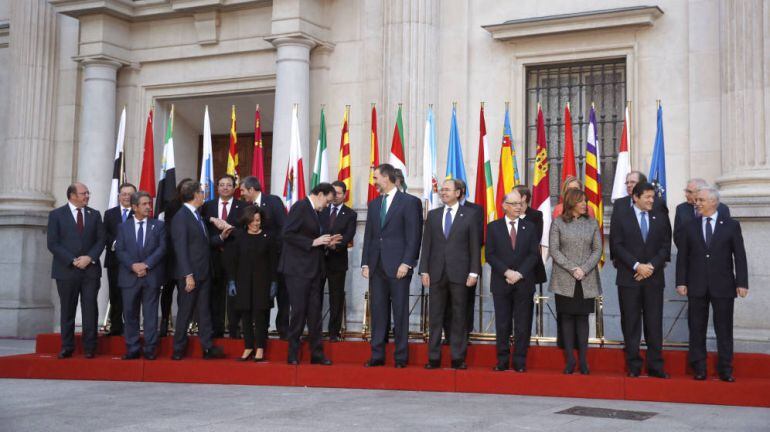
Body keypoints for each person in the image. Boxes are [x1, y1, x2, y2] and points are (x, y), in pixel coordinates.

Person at [676, 187, 748, 382]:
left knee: (724, 328)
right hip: (696, 284)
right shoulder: (690, 226)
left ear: (713, 202)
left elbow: (739, 256)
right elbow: (682, 257)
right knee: (696, 327)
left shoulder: (731, 226)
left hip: (723, 285)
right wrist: (681, 281)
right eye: (696, 199)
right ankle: (699, 367)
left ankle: (725, 369)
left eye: (701, 200)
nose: (697, 203)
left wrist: (742, 282)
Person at [361, 163, 423, 368]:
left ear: (386, 178)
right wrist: (365, 263)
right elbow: (369, 235)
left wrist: (407, 262)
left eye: (376, 177)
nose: (374, 181)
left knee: (400, 312)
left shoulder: (410, 202)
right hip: (376, 266)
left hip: (398, 267)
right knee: (377, 312)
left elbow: (414, 236)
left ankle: (400, 357)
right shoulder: (373, 204)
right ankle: (377, 355)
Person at [610, 182, 672, 378]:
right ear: (635, 198)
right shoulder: (621, 216)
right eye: (647, 197)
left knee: (654, 323)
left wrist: (650, 267)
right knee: (631, 323)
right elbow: (616, 245)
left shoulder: (660, 216)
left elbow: (665, 246)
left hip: (653, 279)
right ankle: (634, 365)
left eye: (653, 197)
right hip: (629, 278)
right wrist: (637, 266)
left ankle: (655, 366)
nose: (651, 200)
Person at [420, 179, 481, 370]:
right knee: (436, 317)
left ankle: (457, 358)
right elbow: (427, 245)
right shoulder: (433, 215)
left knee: (459, 316)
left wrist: (474, 272)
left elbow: (474, 246)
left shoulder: (470, 216)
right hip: (436, 273)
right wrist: (424, 270)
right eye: (441, 189)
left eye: (447, 189)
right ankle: (434, 358)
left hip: (460, 273)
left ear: (458, 193)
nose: (443, 192)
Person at [278, 182, 339, 365]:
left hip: (313, 270)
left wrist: (326, 242)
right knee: (298, 312)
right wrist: (313, 242)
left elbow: (314, 237)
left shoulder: (317, 213)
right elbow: (287, 234)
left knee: (314, 313)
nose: (327, 206)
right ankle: (293, 354)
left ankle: (317, 354)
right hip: (297, 270)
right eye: (327, 201)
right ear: (320, 194)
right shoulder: (301, 207)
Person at [170, 179, 230, 360]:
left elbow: (202, 243)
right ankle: (178, 349)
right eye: (202, 192)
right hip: (191, 275)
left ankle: (207, 347)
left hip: (204, 273)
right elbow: (180, 249)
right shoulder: (181, 217)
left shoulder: (197, 215)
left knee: (204, 312)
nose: (204, 195)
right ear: (196, 195)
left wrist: (221, 237)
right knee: (186, 312)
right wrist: (188, 275)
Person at [46, 182, 105, 359]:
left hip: (90, 270)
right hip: (66, 270)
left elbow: (101, 240)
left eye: (87, 193)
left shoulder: (94, 215)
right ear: (72, 195)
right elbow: (53, 243)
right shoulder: (56, 215)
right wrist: (72, 260)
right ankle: (67, 346)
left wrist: (89, 258)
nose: (87, 196)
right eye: (83, 193)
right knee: (67, 309)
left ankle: (89, 347)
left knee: (90, 309)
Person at [548, 189, 602, 375]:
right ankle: (570, 359)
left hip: (586, 279)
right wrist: (573, 268)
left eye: (585, 201)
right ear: (572, 203)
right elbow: (554, 250)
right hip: (565, 278)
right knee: (567, 318)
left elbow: (597, 250)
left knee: (583, 319)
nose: (585, 204)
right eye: (581, 201)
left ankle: (584, 361)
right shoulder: (558, 223)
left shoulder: (592, 223)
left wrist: (584, 269)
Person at [485, 189, 539, 372]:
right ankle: (502, 360)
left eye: (521, 204)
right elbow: (490, 255)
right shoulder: (493, 227)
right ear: (504, 206)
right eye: (515, 204)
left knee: (522, 324)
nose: (519, 207)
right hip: (501, 282)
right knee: (502, 323)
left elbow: (533, 255)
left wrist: (519, 273)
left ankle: (519, 362)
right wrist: (507, 272)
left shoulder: (530, 227)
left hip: (524, 283)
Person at [114, 191, 167, 360]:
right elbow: (119, 250)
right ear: (134, 207)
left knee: (151, 314)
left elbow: (162, 248)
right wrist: (133, 265)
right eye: (144, 204)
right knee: (130, 314)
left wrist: (146, 265)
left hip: (151, 276)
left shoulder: (158, 225)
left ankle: (150, 349)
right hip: (129, 277)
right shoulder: (123, 226)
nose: (148, 207)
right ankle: (133, 348)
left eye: (149, 204)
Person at [223, 205, 277, 362]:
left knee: (260, 316)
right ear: (246, 221)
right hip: (243, 282)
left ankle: (260, 348)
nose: (256, 223)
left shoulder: (269, 237)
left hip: (263, 282)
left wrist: (274, 282)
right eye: (252, 221)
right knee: (245, 316)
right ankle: (248, 347)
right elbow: (232, 261)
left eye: (258, 220)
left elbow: (274, 262)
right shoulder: (239, 237)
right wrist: (232, 281)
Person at [240, 175, 289, 339]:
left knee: (282, 293)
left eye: (243, 190)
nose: (242, 194)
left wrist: (276, 249)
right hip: (257, 260)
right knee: (261, 295)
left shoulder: (273, 201)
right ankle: (262, 329)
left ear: (251, 189)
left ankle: (283, 328)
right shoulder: (247, 207)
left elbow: (284, 226)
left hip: (276, 255)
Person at [201, 174, 244, 338]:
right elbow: (201, 227)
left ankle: (234, 329)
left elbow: (246, 231)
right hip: (214, 256)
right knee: (215, 294)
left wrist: (229, 228)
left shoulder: (243, 206)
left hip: (235, 257)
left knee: (235, 295)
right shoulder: (207, 206)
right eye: (221, 184)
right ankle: (216, 329)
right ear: (217, 188)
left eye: (228, 185)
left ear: (234, 188)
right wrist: (212, 221)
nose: (225, 187)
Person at [319, 180, 358, 342]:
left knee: (336, 297)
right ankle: (315, 329)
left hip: (337, 260)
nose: (335, 196)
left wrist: (334, 245)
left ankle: (333, 332)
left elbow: (348, 235)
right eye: (333, 193)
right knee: (315, 295)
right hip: (318, 259)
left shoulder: (350, 214)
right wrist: (326, 241)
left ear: (345, 195)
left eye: (339, 193)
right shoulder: (321, 210)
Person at [158, 178, 192, 337]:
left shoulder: (197, 206)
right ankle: (165, 320)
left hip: (187, 257)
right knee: (167, 291)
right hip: (171, 256)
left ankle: (183, 324)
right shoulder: (172, 205)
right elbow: (170, 228)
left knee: (183, 292)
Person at [103, 183, 136, 336]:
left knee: (131, 296)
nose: (127, 197)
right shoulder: (110, 214)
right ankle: (116, 326)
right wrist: (117, 243)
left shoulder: (139, 213)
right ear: (119, 196)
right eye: (124, 194)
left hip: (133, 262)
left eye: (130, 194)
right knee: (115, 294)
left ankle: (130, 327)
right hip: (114, 261)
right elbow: (105, 234)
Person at [673, 178, 730, 249]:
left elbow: (727, 235)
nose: (686, 195)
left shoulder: (722, 209)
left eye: (689, 192)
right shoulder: (681, 209)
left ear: (701, 192)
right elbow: (678, 236)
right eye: (686, 191)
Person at [515, 184, 547, 286]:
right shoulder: (510, 214)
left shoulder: (536, 215)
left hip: (529, 265)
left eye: (514, 194)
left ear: (524, 198)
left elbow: (536, 238)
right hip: (512, 265)